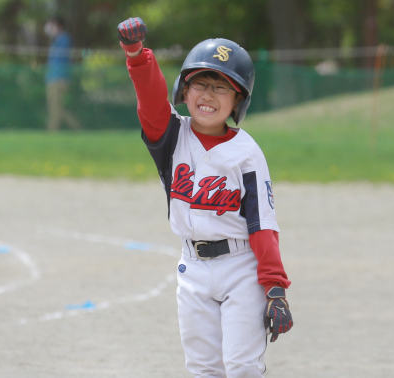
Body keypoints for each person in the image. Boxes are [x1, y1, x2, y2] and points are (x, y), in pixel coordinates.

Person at [118, 17, 293, 377]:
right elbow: (150, 98)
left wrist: (275, 288)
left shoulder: (246, 153)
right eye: (199, 83)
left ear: (238, 101)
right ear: (184, 90)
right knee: (202, 368)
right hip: (192, 268)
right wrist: (137, 55)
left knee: (243, 366)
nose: (208, 95)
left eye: (221, 88)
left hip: (241, 268)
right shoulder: (170, 136)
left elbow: (262, 225)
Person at [44, 16, 80, 132]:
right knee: (56, 108)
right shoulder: (56, 41)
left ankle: (52, 131)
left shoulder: (64, 39)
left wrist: (64, 78)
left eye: (52, 26)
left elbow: (64, 60)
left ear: (59, 26)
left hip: (59, 79)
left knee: (55, 108)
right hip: (52, 78)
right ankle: (78, 129)